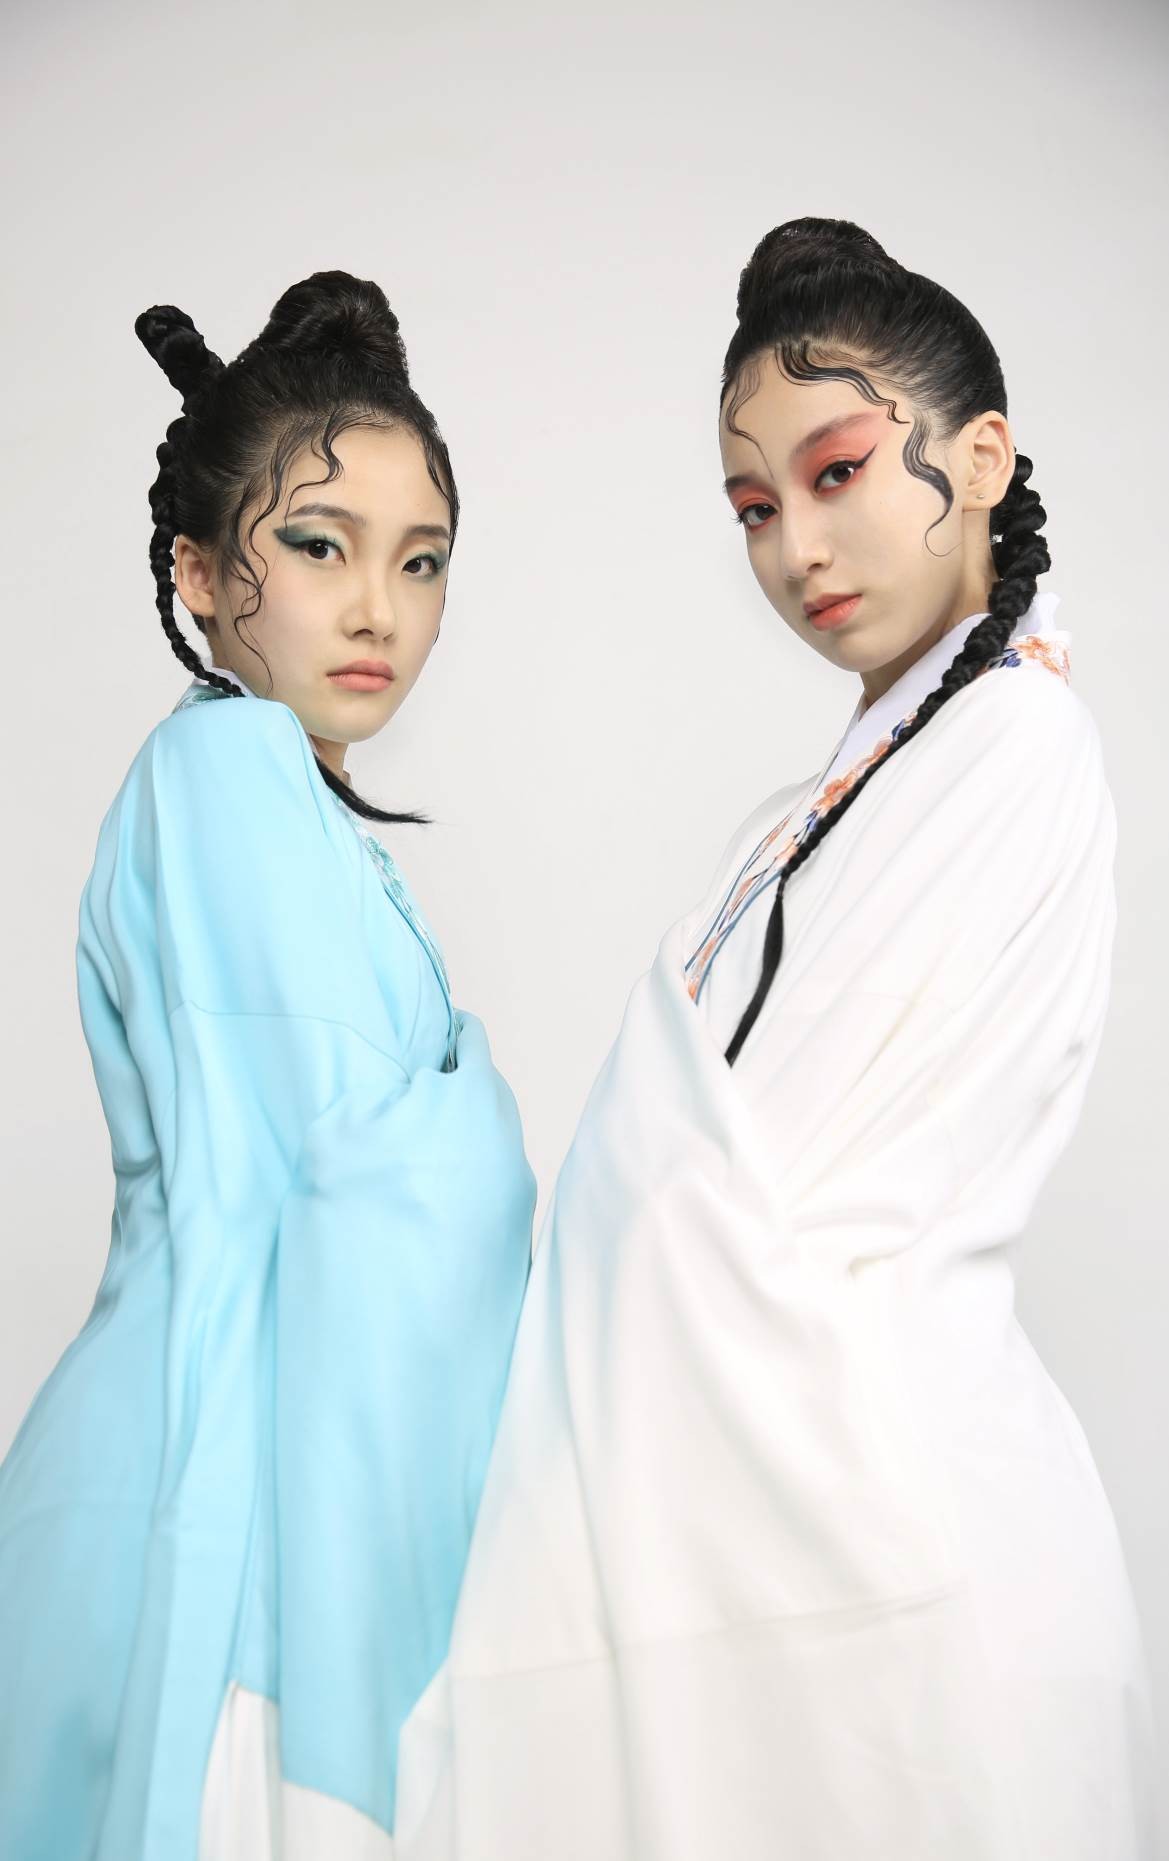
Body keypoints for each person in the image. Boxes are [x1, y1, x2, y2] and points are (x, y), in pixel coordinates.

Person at [392, 219, 1159, 1860]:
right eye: (754, 507)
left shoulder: (1015, 748)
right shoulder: (814, 805)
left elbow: (763, 1188)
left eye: (836, 471)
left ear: (979, 456)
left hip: (898, 1544)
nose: (795, 547)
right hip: (794, 1536)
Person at [0, 271, 535, 1861]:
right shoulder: (224, 769)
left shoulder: (281, 803)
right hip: (217, 1492)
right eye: (317, 545)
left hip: (231, 1464)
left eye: (420, 560)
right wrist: (485, 1116)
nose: (379, 608)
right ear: (199, 568)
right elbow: (349, 1173)